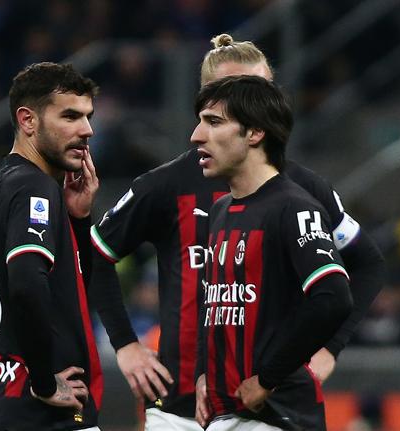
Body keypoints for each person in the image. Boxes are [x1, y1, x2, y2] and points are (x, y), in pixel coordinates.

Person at [89, 35, 384, 430]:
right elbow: (94, 255)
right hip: (181, 401)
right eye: (237, 93)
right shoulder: (169, 186)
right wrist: (126, 346)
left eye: (262, 91)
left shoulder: (299, 192)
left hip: (266, 401)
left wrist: (328, 350)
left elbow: (359, 271)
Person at [193, 74, 352, 430]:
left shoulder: (294, 207)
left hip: (278, 416)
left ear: (255, 133)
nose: (196, 136)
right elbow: (214, 307)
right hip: (229, 413)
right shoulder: (220, 212)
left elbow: (333, 297)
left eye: (213, 122)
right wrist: (205, 374)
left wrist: (267, 378)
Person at [0, 62, 103, 431]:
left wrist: (78, 220)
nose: (86, 130)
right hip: (39, 410)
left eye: (88, 117)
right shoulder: (34, 187)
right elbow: (26, 283)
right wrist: (42, 380)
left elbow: (67, 293)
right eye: (70, 116)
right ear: (28, 121)